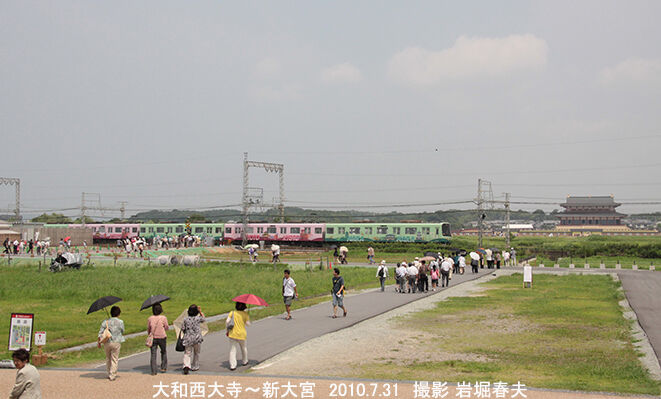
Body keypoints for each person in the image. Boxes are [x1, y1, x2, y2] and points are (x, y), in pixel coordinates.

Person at [98, 306, 125, 381]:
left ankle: (109, 372)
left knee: (108, 358)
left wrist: (99, 342)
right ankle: (112, 374)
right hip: (116, 342)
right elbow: (122, 331)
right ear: (118, 314)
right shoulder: (120, 322)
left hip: (107, 342)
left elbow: (100, 333)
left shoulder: (105, 322)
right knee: (114, 358)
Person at [181, 304, 205, 374]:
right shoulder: (198, 318)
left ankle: (186, 365)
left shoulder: (185, 319)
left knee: (187, 353)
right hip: (197, 338)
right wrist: (200, 312)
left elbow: (183, 328)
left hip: (188, 338)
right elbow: (203, 319)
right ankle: (195, 366)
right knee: (196, 353)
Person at [226, 301, 250, 370]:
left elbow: (227, 321)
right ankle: (245, 361)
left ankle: (233, 365)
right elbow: (248, 324)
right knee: (243, 348)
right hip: (242, 334)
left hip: (233, 334)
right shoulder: (245, 314)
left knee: (232, 350)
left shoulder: (232, 313)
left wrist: (227, 329)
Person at [147, 303, 169, 375]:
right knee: (163, 352)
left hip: (153, 337)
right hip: (162, 337)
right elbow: (166, 327)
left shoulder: (150, 318)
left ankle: (153, 371)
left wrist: (149, 334)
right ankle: (163, 367)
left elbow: (149, 329)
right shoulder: (163, 318)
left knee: (153, 354)